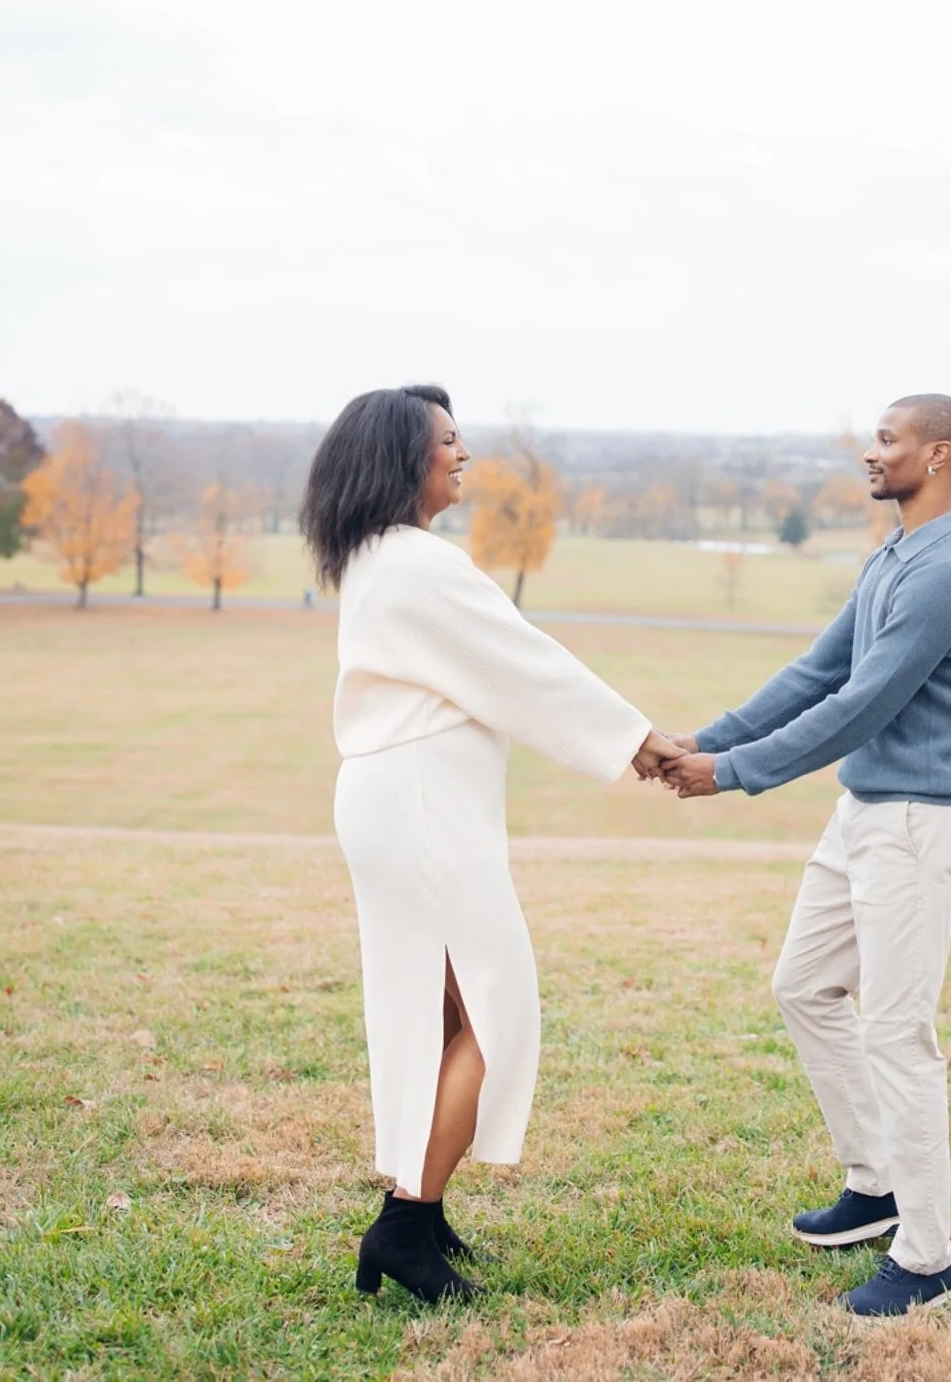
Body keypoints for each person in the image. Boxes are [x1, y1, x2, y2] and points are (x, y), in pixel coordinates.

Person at [300, 386, 680, 1305]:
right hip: (423, 807)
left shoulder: (378, 559)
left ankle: (422, 1217)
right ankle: (401, 1224)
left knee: (440, 1014)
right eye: (447, 442)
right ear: (404, 459)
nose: (461, 454)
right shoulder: (417, 564)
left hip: (405, 801)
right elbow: (524, 663)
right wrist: (638, 738)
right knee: (496, 1019)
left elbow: (505, 666)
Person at [660, 394, 951, 1318]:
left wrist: (730, 772)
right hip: (866, 812)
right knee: (802, 984)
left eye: (885, 440)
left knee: (897, 1032)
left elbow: (862, 707)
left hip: (920, 823)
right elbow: (818, 672)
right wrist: (706, 735)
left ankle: (926, 1258)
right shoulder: (892, 556)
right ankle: (876, 1183)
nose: (868, 452)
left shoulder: (949, 572)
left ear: (936, 455)